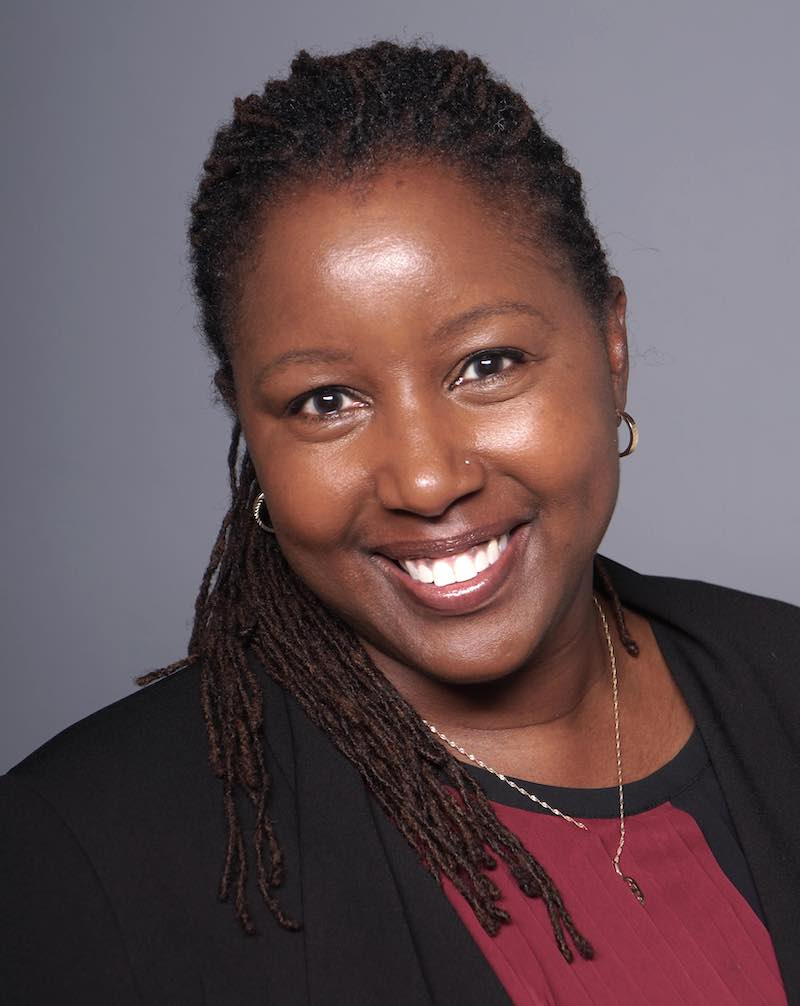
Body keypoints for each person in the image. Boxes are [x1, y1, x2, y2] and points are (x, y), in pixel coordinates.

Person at [1, 39, 798, 1006]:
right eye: (326, 401)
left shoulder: (783, 680)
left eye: (487, 364)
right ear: (248, 423)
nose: (424, 480)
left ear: (611, 343)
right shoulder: (80, 852)